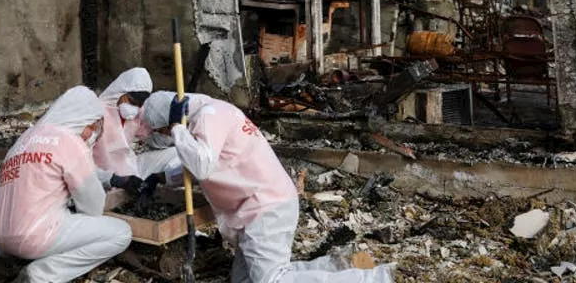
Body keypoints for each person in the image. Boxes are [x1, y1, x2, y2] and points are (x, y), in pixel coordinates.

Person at [142, 91, 394, 283]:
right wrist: (160, 178)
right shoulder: (208, 116)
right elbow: (197, 163)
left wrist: (177, 130)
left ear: (171, 119)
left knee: (272, 280)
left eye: (164, 130)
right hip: (260, 206)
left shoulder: (209, 116)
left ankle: (373, 279)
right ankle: (336, 268)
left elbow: (202, 164)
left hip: (265, 207)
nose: (167, 136)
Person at [0, 86, 132, 283]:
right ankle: (40, 276)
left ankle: (6, 260)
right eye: (92, 126)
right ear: (83, 119)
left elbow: (52, 168)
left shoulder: (26, 139)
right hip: (33, 237)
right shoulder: (71, 142)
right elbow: (93, 207)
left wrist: (110, 177)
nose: (91, 134)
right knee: (121, 233)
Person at [92, 67, 152, 191]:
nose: (135, 107)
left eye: (139, 104)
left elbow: (147, 133)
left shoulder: (137, 114)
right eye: (131, 101)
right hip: (98, 172)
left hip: (125, 167)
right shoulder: (97, 113)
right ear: (121, 92)